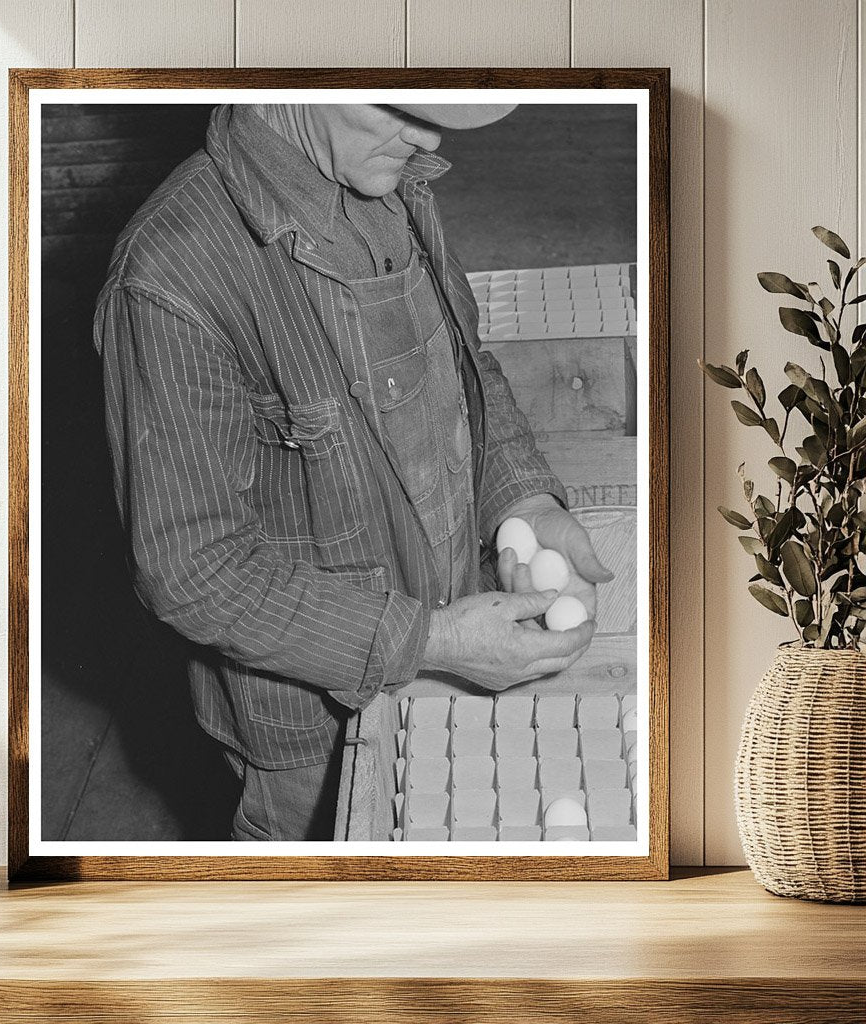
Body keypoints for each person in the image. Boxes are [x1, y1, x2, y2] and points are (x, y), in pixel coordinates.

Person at [93, 102, 612, 842]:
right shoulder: (172, 274)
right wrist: (432, 641)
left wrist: (521, 501)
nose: (428, 136)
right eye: (399, 108)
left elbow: (467, 367)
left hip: (456, 635)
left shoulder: (391, 182)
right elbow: (193, 570)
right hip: (316, 736)